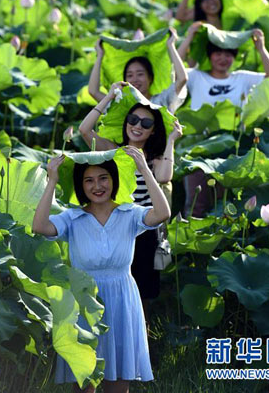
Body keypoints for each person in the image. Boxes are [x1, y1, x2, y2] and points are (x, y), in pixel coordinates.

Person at [32, 150, 171, 393]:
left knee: (118, 381)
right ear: (81, 185)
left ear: (114, 179)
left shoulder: (129, 214)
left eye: (103, 178)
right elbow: (40, 226)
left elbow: (162, 213)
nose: (97, 185)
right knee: (85, 381)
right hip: (85, 299)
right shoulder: (72, 218)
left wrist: (145, 171)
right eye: (89, 180)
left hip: (122, 298)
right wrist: (52, 179)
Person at [79, 83, 183, 306]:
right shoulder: (112, 150)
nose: (138, 126)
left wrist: (171, 140)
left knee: (142, 289)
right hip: (116, 225)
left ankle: (140, 332)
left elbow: (164, 177)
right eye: (133, 120)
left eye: (146, 123)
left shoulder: (154, 157)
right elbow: (84, 130)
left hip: (145, 225)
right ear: (126, 122)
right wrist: (108, 97)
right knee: (114, 282)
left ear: (153, 130)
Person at [178, 24, 269, 217]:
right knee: (196, 204)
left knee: (224, 205)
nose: (223, 58)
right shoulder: (196, 76)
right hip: (200, 145)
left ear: (234, 57)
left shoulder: (241, 78)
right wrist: (189, 37)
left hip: (233, 146)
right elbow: (175, 71)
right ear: (209, 55)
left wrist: (261, 48)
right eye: (217, 53)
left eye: (228, 54)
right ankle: (191, 245)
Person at [88, 27, 187, 114]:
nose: (135, 79)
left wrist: (171, 45)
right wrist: (100, 55)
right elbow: (93, 91)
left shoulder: (162, 100)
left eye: (140, 74)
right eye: (130, 75)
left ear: (150, 78)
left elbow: (182, 78)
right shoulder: (121, 104)